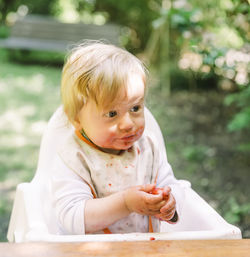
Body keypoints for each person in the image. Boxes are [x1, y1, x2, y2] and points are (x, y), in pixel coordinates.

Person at [50, 41, 183, 235]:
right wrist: (125, 203)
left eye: (135, 108)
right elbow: (71, 217)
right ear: (76, 119)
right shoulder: (73, 158)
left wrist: (168, 204)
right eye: (112, 114)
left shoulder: (148, 148)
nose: (128, 123)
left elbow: (171, 186)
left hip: (145, 250)